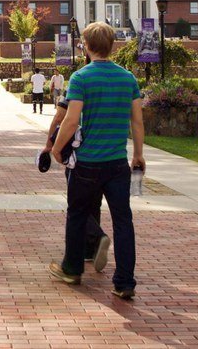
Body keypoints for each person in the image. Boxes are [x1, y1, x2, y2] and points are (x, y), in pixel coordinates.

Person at [49, 22, 144, 298]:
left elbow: (71, 119)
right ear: (112, 46)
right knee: (123, 221)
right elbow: (137, 121)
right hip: (117, 163)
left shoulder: (81, 77)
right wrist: (138, 154)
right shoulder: (128, 79)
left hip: (87, 163)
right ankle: (125, 282)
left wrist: (57, 147)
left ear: (87, 46)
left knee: (78, 214)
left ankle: (72, 269)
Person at [42, 96, 111, 273]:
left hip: (80, 155)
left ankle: (97, 237)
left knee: (78, 206)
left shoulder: (79, 85)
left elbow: (60, 117)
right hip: (106, 154)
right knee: (94, 202)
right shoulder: (108, 87)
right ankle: (89, 250)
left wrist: (50, 146)